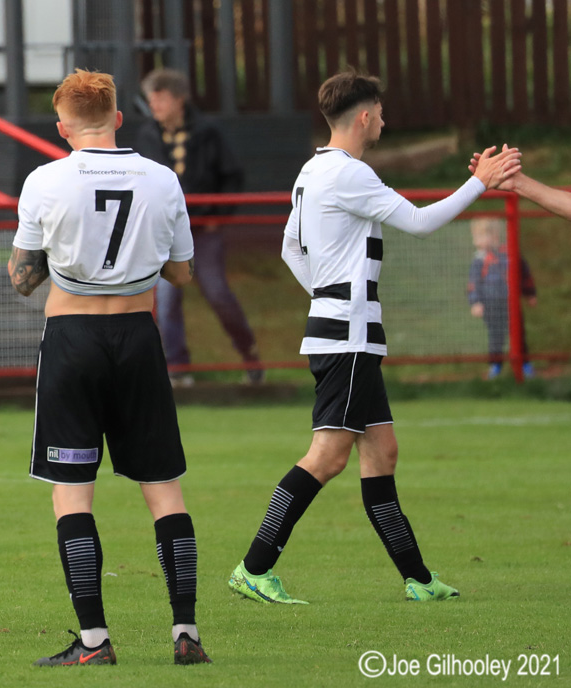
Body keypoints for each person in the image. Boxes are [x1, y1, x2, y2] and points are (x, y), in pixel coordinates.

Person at [227, 70, 521, 605]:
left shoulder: (312, 169)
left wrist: (325, 296)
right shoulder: (348, 174)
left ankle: (418, 579)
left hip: (343, 330)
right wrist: (483, 182)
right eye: (381, 112)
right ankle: (253, 567)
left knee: (381, 451)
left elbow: (291, 251)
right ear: (364, 117)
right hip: (349, 338)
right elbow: (422, 221)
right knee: (328, 456)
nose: (384, 120)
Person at [8, 69, 211, 667]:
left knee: (73, 495)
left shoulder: (45, 179)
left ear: (63, 126)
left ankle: (94, 642)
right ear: (119, 118)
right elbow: (182, 273)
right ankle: (186, 633)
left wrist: (65, 252)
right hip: (137, 337)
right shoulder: (163, 178)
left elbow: (21, 281)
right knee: (163, 489)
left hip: (72, 339)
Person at [136, 68, 261, 386]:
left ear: (179, 99)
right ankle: (177, 369)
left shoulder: (208, 132)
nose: (155, 105)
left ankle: (251, 355)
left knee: (217, 292)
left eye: (161, 98)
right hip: (165, 234)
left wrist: (219, 215)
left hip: (203, 230)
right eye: (151, 99)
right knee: (165, 299)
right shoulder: (148, 135)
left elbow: (232, 175)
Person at [467, 218, 537, 379]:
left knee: (519, 334)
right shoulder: (479, 260)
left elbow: (524, 274)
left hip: (511, 303)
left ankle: (524, 364)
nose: (476, 241)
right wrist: (475, 302)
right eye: (475, 237)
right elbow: (473, 284)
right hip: (491, 305)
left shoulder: (510, 254)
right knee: (495, 335)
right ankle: (495, 366)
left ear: (494, 236)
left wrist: (530, 293)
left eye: (480, 237)